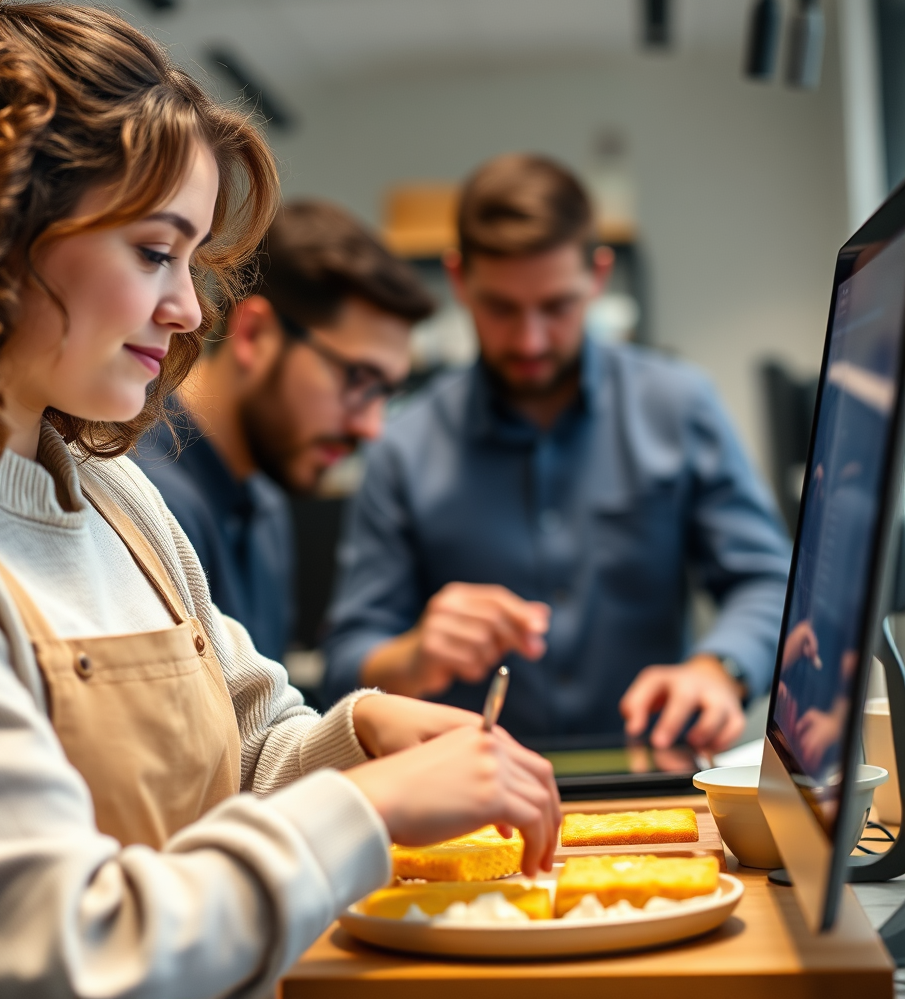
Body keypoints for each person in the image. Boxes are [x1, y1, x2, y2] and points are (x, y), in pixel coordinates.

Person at [0, 0, 560, 997]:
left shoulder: (112, 491)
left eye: (192, 259)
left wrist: (362, 731)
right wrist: (369, 809)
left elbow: (244, 743)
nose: (187, 306)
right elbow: (62, 956)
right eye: (155, 251)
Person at [323, 153, 792, 752]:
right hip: (472, 802)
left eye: (557, 307)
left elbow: (768, 580)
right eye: (501, 308)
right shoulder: (403, 446)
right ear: (459, 279)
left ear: (598, 276)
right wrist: (414, 656)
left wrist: (716, 670)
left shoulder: (679, 405)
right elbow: (346, 664)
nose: (530, 340)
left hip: (657, 779)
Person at [135, 202, 433, 661]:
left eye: (385, 394)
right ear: (254, 335)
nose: (371, 428)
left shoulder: (266, 502)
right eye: (357, 379)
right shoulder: (144, 495)